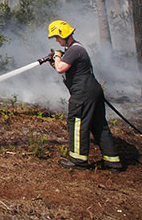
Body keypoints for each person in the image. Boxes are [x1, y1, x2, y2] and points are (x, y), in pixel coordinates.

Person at [47, 20, 124, 171]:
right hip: (92, 91)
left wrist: (57, 57)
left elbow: (60, 68)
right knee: (98, 125)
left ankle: (78, 161)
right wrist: (57, 59)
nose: (56, 40)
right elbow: (67, 67)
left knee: (77, 123)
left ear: (63, 34)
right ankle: (113, 161)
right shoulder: (74, 49)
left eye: (57, 37)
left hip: (83, 94)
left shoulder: (75, 50)